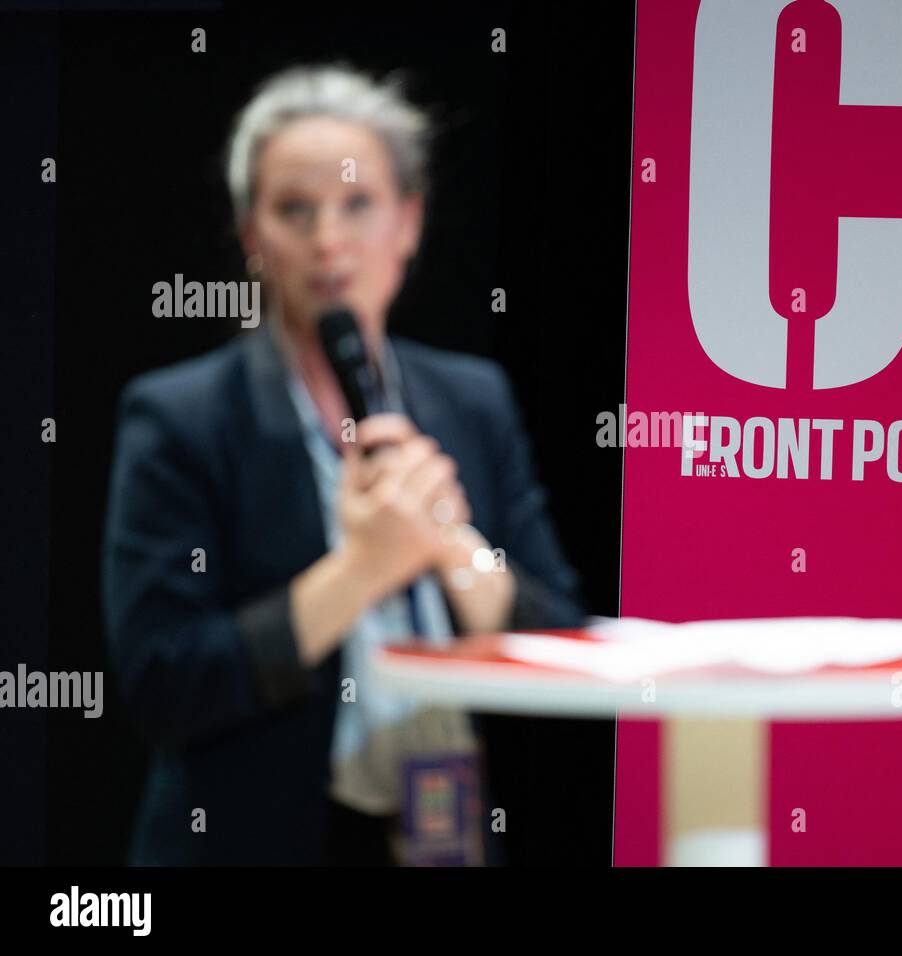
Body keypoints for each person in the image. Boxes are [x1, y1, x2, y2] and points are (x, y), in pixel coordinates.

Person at [101, 64, 587, 865]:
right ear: (253, 235)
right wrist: (361, 569)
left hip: (440, 839)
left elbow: (560, 643)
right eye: (296, 210)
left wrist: (448, 543)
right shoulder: (183, 418)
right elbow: (165, 684)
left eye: (359, 204)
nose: (329, 240)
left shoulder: (471, 399)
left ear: (409, 222)